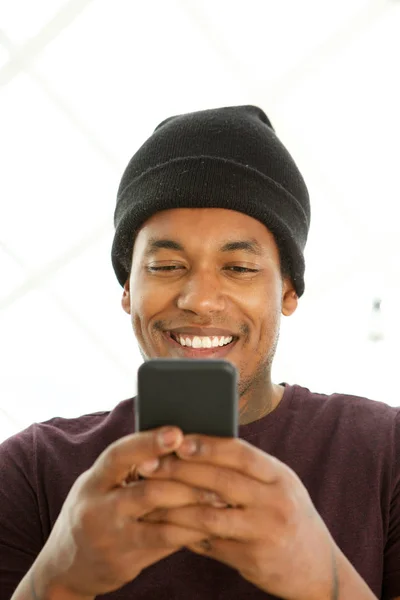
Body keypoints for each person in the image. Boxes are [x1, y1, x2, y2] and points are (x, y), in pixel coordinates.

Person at [1, 105, 398, 600]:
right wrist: (56, 579)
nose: (199, 300)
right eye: (166, 265)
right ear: (128, 287)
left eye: (239, 268)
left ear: (289, 291)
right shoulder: (30, 471)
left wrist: (327, 580)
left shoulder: (386, 453)